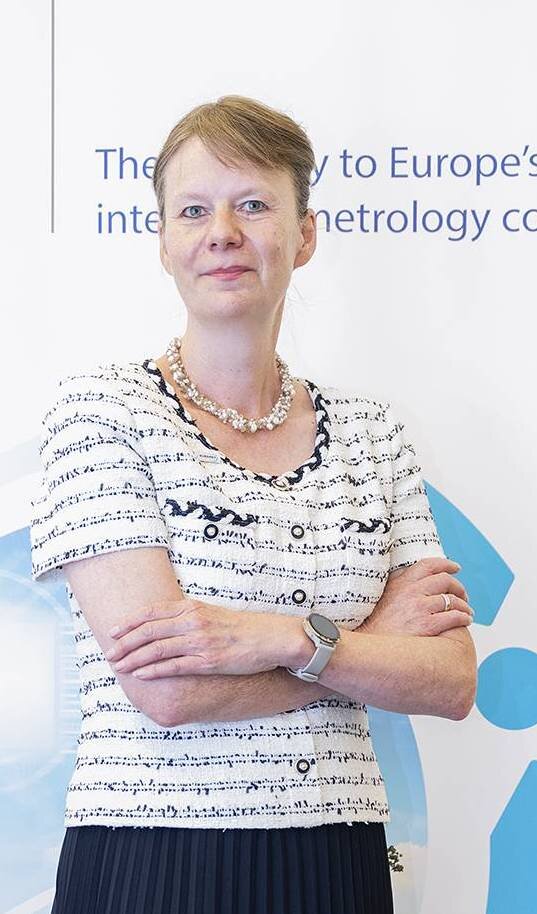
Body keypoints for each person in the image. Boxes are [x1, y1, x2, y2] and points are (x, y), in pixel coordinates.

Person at [30, 95, 477, 914]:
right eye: (193, 210)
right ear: (163, 242)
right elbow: (168, 694)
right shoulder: (100, 413)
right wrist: (364, 649)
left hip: (337, 857)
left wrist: (279, 639)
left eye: (253, 205)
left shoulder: (373, 433)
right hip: (152, 858)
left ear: (303, 235)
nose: (222, 233)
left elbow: (448, 679)